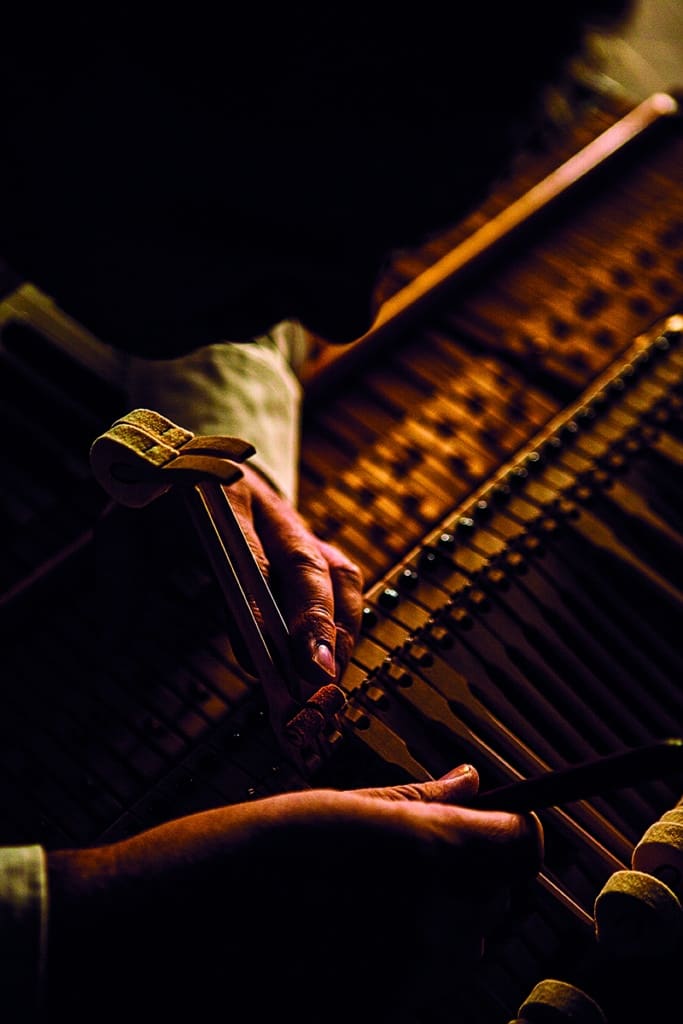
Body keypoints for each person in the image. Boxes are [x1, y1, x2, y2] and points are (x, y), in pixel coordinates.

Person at [0, 2, 633, 1020]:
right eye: (281, 229)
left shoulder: (97, 138)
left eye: (376, 236)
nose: (348, 315)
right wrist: (77, 915)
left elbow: (136, 218)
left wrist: (215, 444)